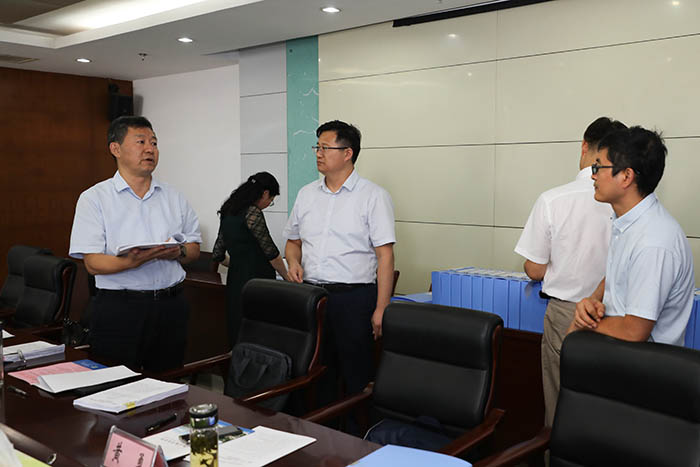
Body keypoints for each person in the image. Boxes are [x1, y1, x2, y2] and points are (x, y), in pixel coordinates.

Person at [514, 117, 626, 427]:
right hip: (620, 318)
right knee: (608, 406)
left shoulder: (553, 199)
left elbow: (535, 269)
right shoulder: (627, 202)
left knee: (561, 401)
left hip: (566, 314)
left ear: (584, 146)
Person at [69, 116, 201, 372]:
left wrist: (178, 251)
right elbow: (93, 263)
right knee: (116, 383)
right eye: (141, 142)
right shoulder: (94, 198)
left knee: (167, 381)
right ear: (115, 149)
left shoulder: (174, 197)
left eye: (154, 143)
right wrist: (131, 262)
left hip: (171, 306)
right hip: (120, 308)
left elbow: (194, 248)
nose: (150, 149)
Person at [283, 120, 396, 398]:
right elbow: (293, 242)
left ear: (348, 153)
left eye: (325, 147)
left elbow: (385, 256)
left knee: (356, 374)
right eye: (317, 147)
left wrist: (382, 308)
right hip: (311, 297)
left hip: (354, 299)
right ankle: (318, 423)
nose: (318, 154)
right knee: (315, 373)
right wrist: (293, 262)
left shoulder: (373, 196)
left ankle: (357, 426)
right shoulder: (306, 194)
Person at [569, 126, 694, 346]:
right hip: (618, 356)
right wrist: (592, 302)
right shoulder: (629, 222)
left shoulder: (654, 240)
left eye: (598, 166)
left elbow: (635, 330)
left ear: (626, 176)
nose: (593, 175)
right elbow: (619, 274)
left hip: (640, 364)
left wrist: (584, 325)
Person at [212, 171, 290, 347]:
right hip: (259, 282)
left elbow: (217, 254)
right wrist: (287, 276)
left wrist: (238, 263)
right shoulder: (252, 212)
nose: (269, 204)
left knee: (239, 329)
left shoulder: (228, 211)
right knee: (259, 332)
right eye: (271, 199)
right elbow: (270, 252)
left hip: (235, 282)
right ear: (265, 193)